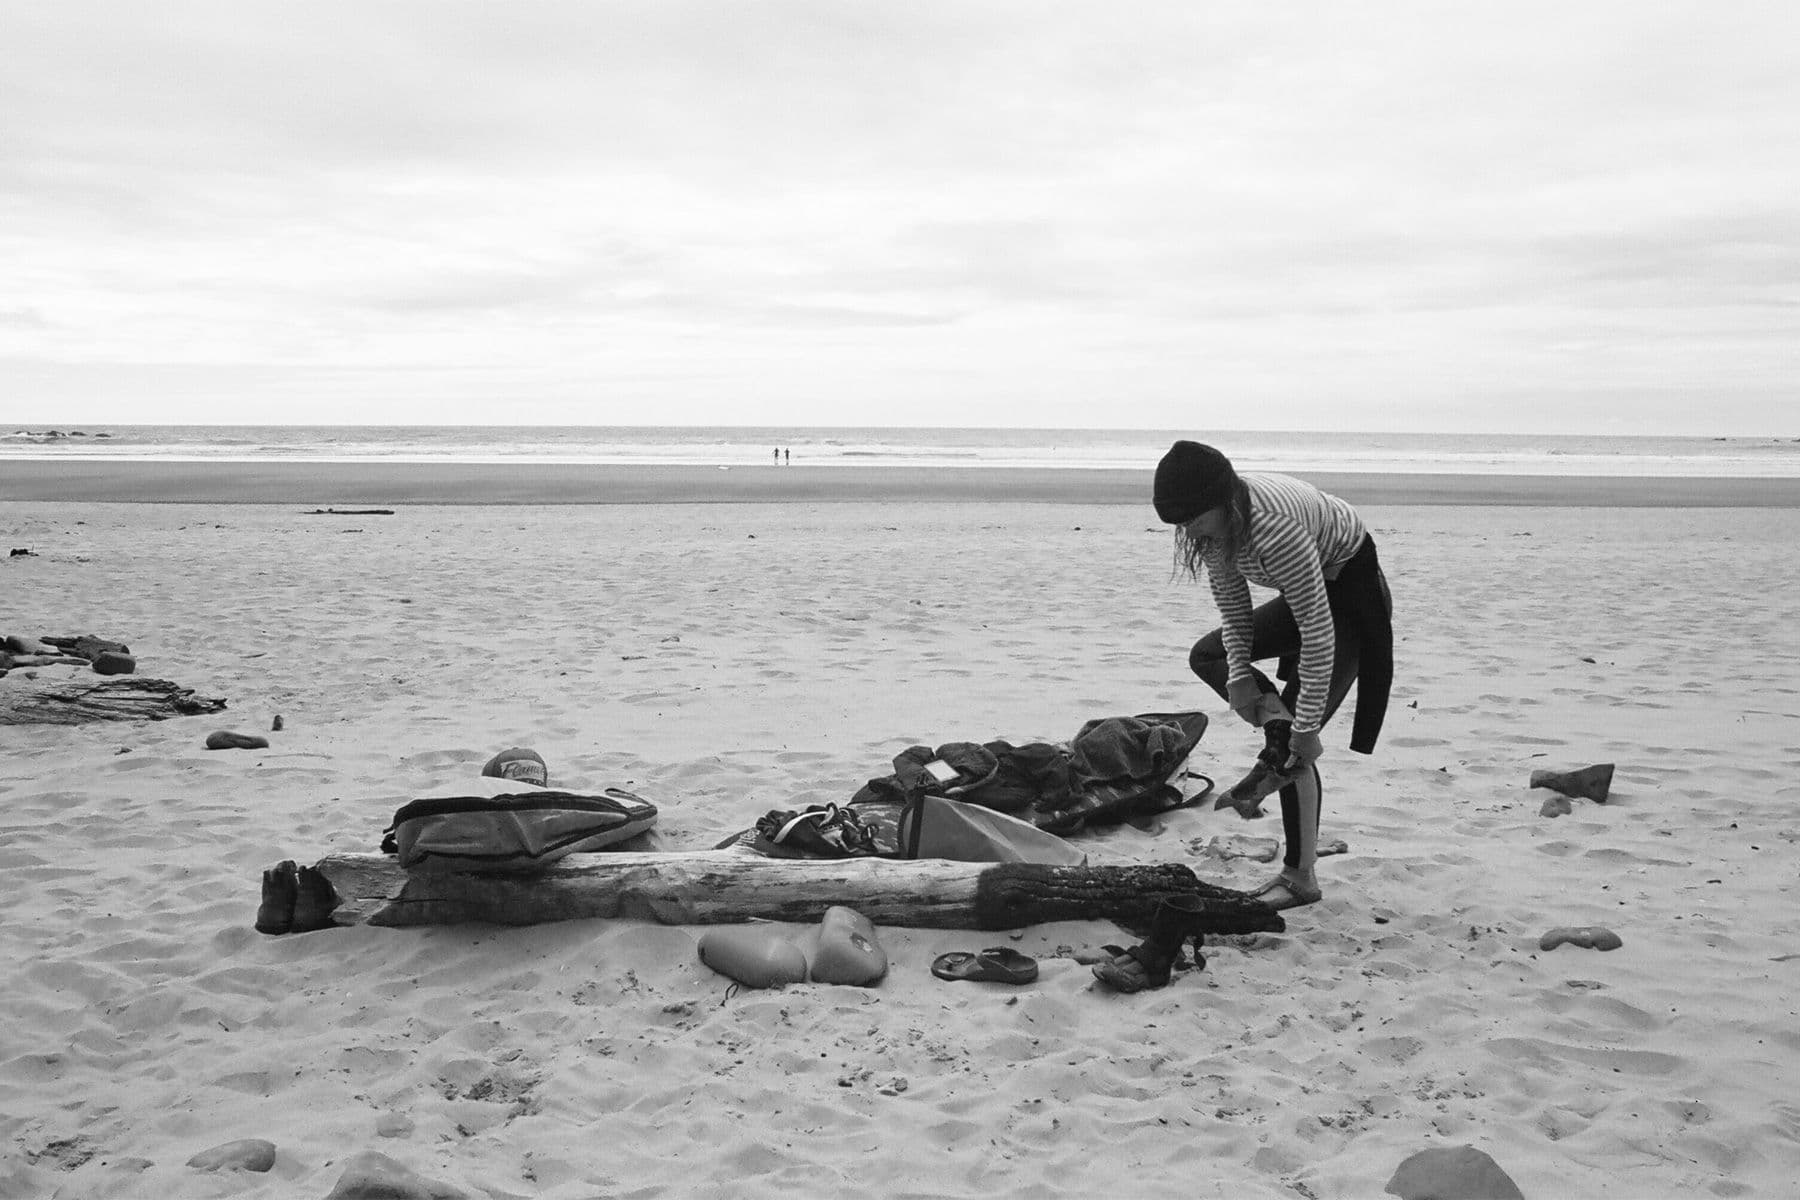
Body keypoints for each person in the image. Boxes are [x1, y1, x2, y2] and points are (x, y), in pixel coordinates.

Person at [1154, 440, 1393, 910]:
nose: (1189, 530)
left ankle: (1300, 878)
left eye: (1194, 519)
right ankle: (1278, 730)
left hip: (1350, 602)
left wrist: (1304, 730)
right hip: (1310, 592)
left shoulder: (1274, 532)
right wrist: (1241, 676)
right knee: (1209, 656)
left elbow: (1318, 634)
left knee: (1291, 752)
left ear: (1224, 501)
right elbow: (1234, 611)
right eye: (1179, 523)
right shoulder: (1214, 529)